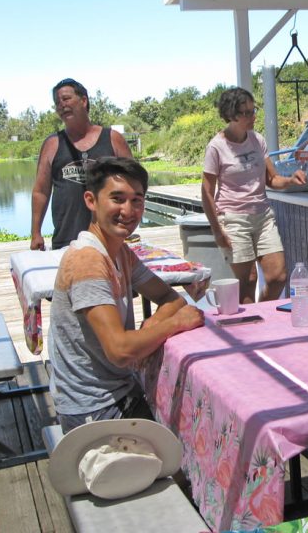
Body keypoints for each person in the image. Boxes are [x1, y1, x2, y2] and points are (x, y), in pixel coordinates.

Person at [49, 157, 205, 433]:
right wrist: (176, 323)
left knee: (195, 428)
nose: (128, 210)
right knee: (189, 444)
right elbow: (120, 350)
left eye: (137, 200)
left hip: (121, 388)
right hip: (93, 408)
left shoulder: (121, 252)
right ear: (91, 201)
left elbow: (172, 299)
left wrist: (153, 326)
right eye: (117, 198)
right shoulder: (88, 261)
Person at [202, 87, 307, 304]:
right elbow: (206, 193)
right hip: (233, 219)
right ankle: (252, 330)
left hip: (263, 216)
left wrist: (290, 180)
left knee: (278, 277)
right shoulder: (216, 147)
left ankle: (261, 316)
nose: (253, 116)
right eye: (246, 112)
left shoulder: (257, 140)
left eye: (253, 110)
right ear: (231, 115)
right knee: (248, 282)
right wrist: (217, 231)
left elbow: (272, 179)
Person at [31, 78, 133, 251]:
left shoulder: (112, 139)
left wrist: (129, 223)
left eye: (66, 99)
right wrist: (35, 232)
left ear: (84, 101)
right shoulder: (52, 144)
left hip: (109, 241)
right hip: (66, 242)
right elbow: (41, 192)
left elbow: (134, 185)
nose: (61, 105)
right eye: (57, 103)